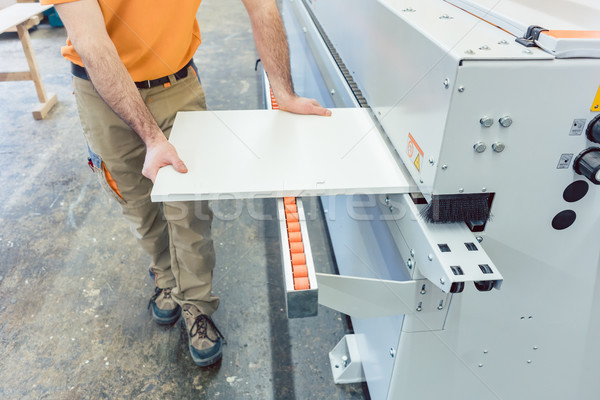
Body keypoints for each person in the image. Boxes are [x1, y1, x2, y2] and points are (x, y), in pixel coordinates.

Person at [44, 0, 330, 367]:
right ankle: (166, 277)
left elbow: (262, 7)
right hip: (101, 89)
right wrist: (152, 138)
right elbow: (91, 41)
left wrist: (284, 93)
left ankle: (195, 303)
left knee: (188, 207)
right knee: (139, 202)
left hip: (174, 82)